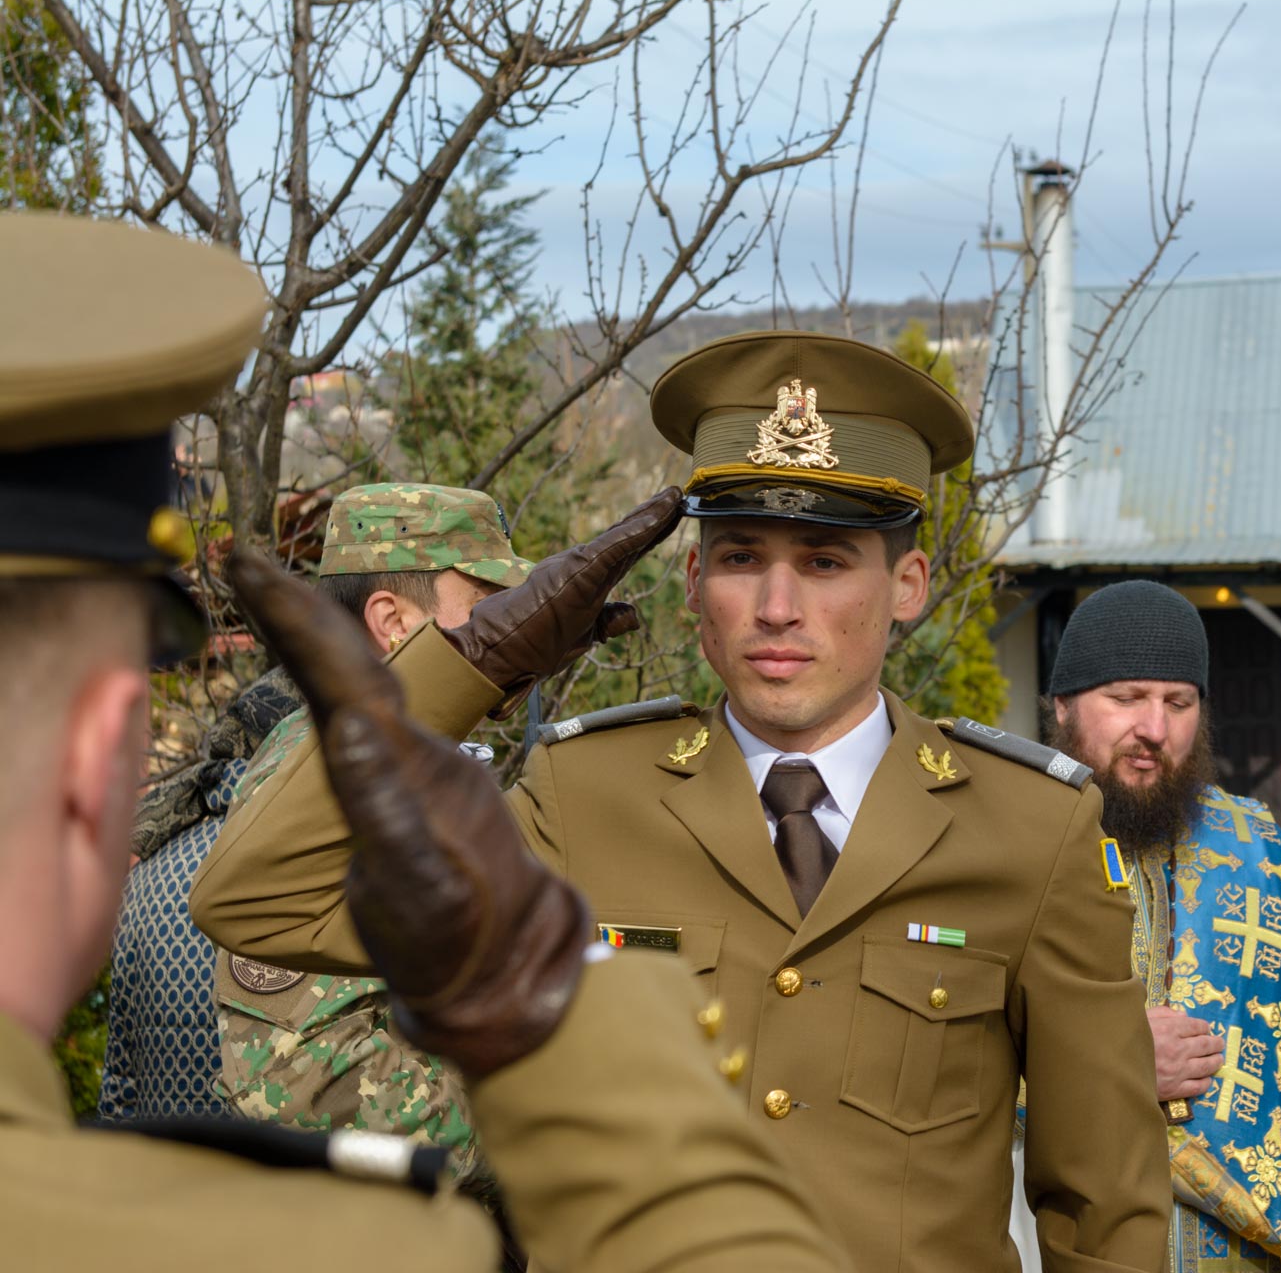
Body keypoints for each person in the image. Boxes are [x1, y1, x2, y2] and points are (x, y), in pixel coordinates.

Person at [194, 330, 1172, 1271]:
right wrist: (469, 663)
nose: (777, 606)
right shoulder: (582, 798)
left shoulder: (1031, 829)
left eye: (825, 561)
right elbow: (262, 897)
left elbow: (1105, 1203)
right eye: (742, 556)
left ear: (908, 582)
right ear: (696, 578)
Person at [0, 210, 841, 1271]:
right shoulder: (327, 815)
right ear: (95, 758)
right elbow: (307, 1076)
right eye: (491, 605)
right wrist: (566, 1029)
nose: (523, 628)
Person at [103, 481, 530, 1149]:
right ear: (393, 623)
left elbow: (121, 1113)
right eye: (485, 608)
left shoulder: (159, 861)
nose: (513, 634)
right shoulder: (346, 857)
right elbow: (333, 1100)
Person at [1038, 581, 1281, 1273]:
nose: (1155, 730)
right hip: (1057, 1230)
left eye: (1178, 703)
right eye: (1126, 698)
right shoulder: (1006, 839)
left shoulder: (1254, 843)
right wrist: (1109, 1062)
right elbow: (936, 1059)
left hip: (1246, 1243)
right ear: (1063, 705)